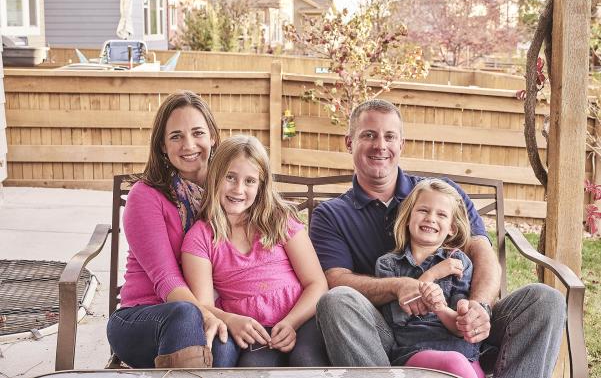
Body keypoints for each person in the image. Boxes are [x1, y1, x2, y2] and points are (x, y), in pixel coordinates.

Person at [310, 98, 566, 377]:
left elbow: (482, 253)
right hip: (389, 335)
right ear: (349, 142)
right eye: (368, 135)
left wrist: (479, 307)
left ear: (401, 144)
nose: (380, 145)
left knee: (546, 299)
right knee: (335, 300)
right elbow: (336, 279)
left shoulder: (441, 194)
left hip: (460, 324)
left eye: (390, 136)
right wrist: (398, 285)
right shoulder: (332, 214)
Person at [106, 91, 238, 368]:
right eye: (176, 136)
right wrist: (211, 314)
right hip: (145, 317)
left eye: (198, 133)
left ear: (213, 136)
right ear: (163, 146)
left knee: (223, 350)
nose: (189, 145)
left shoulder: (231, 193)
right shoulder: (146, 196)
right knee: (185, 314)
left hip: (210, 313)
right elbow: (165, 279)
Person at [181, 135, 329, 367]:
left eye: (250, 181)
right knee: (252, 370)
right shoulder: (200, 238)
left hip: (302, 318)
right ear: (215, 177)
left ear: (261, 186)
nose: (239, 189)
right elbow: (203, 307)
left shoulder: (279, 221)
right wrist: (232, 321)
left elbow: (317, 283)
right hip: (253, 331)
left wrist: (291, 322)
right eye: (230, 177)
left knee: (306, 362)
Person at [376, 178, 485, 378]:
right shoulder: (388, 264)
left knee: (462, 366)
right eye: (423, 210)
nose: (431, 218)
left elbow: (459, 328)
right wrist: (432, 274)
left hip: (463, 352)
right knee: (455, 364)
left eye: (441, 214)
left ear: (452, 227)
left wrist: (440, 308)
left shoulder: (459, 262)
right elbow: (399, 321)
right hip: (415, 351)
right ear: (408, 217)